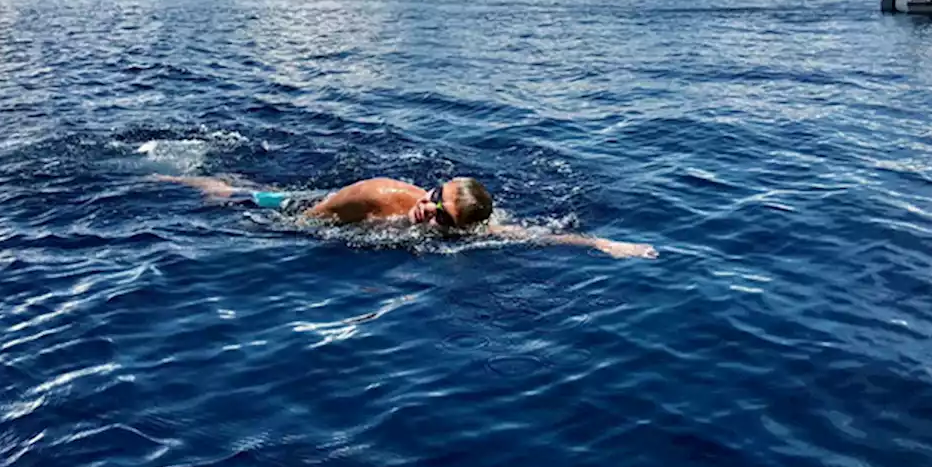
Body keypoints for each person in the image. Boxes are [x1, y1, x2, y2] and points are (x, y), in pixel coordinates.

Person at [153, 174, 658, 260]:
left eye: (441, 218)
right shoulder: (379, 195)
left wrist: (605, 245)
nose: (428, 211)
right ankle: (183, 179)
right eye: (434, 198)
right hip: (300, 209)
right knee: (229, 195)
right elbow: (310, 217)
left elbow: (533, 236)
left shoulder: (469, 226)